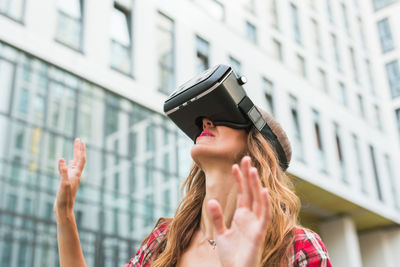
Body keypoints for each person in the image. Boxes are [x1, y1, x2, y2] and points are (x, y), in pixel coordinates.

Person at [54, 110, 332, 267]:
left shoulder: (298, 247)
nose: (206, 122)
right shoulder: (165, 240)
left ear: (256, 145)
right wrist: (65, 215)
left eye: (225, 115)